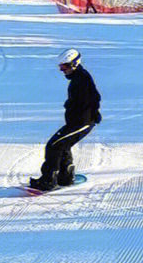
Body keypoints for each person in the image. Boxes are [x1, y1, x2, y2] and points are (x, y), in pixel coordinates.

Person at [29, 48, 101, 191]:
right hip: (76, 122)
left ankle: (48, 181)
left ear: (75, 64)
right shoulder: (78, 77)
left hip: (82, 122)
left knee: (54, 146)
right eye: (61, 66)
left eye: (65, 66)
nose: (62, 70)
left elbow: (95, 97)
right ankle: (65, 177)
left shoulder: (82, 79)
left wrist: (92, 112)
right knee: (62, 145)